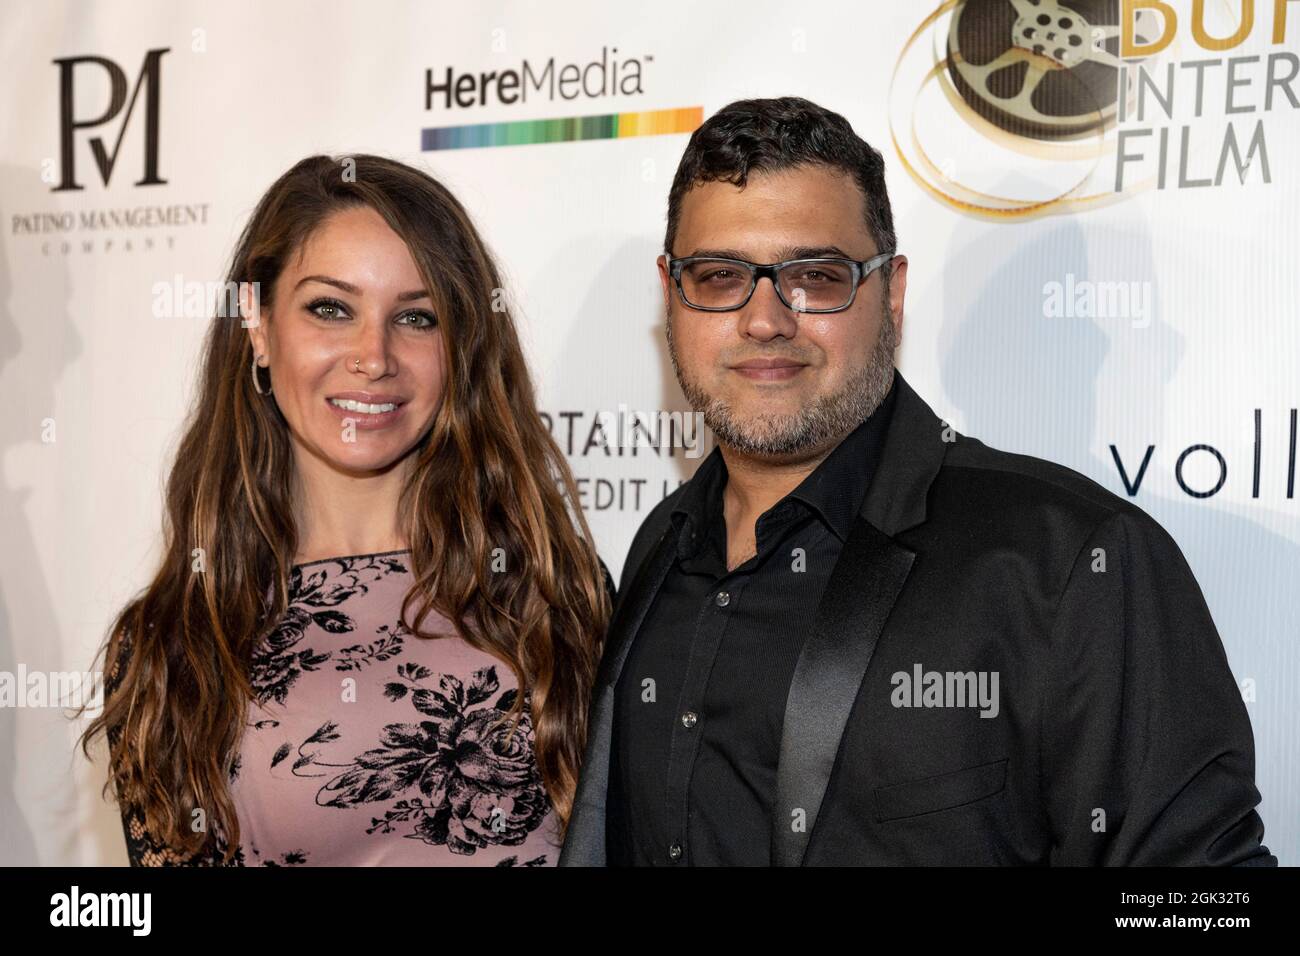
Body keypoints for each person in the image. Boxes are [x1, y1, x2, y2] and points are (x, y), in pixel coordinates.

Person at [559, 97, 1276, 866]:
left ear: (890, 294)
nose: (765, 319)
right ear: (672, 292)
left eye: (815, 276)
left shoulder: (1069, 564)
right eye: (720, 275)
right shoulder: (660, 550)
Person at [78, 154, 612, 866]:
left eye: (417, 317)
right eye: (331, 308)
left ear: (462, 350)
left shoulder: (556, 592)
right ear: (259, 327)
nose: (374, 355)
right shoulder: (173, 643)